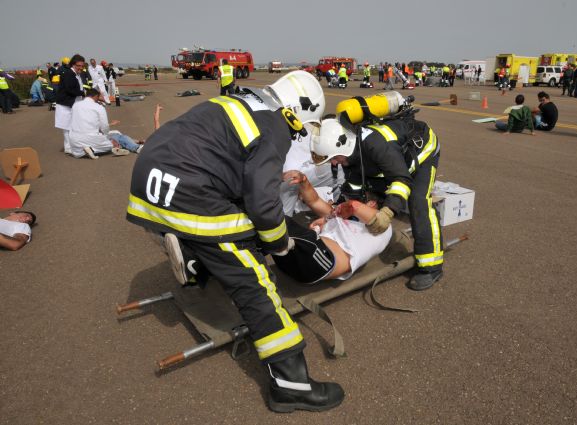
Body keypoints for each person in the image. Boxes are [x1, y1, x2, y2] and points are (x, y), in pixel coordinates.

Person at [126, 70, 343, 413]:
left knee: (228, 232)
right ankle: (291, 385)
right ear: (299, 109)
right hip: (189, 192)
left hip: (150, 181)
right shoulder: (274, 125)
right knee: (254, 281)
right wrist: (279, 243)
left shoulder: (238, 100)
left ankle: (194, 255)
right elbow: (262, 201)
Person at [311, 108, 445, 291]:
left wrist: (387, 212)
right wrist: (333, 216)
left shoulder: (376, 144)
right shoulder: (350, 155)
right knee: (378, 192)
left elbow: (401, 179)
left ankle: (432, 266)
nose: (333, 164)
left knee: (418, 201)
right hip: (395, 160)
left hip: (423, 150)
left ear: (343, 147)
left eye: (334, 159)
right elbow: (353, 189)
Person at [274, 170, 392, 284]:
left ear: (372, 204)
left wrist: (330, 217)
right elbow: (314, 201)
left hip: (322, 261)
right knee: (265, 226)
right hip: (291, 264)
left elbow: (354, 206)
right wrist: (303, 181)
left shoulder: (383, 226)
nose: (347, 199)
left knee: (273, 218)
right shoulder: (346, 217)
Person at [69, 88, 141, 159]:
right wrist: (105, 134)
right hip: (91, 138)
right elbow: (104, 128)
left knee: (111, 136)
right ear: (96, 96)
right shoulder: (98, 107)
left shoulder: (75, 105)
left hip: (75, 142)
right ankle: (136, 148)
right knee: (117, 136)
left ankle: (91, 150)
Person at [55, 54, 86, 154]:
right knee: (67, 127)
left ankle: (74, 145)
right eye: (78, 65)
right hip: (65, 104)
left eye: (82, 66)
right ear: (73, 64)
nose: (80, 67)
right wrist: (84, 93)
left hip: (72, 103)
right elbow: (70, 89)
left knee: (73, 126)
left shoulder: (76, 74)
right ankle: (68, 148)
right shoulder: (69, 74)